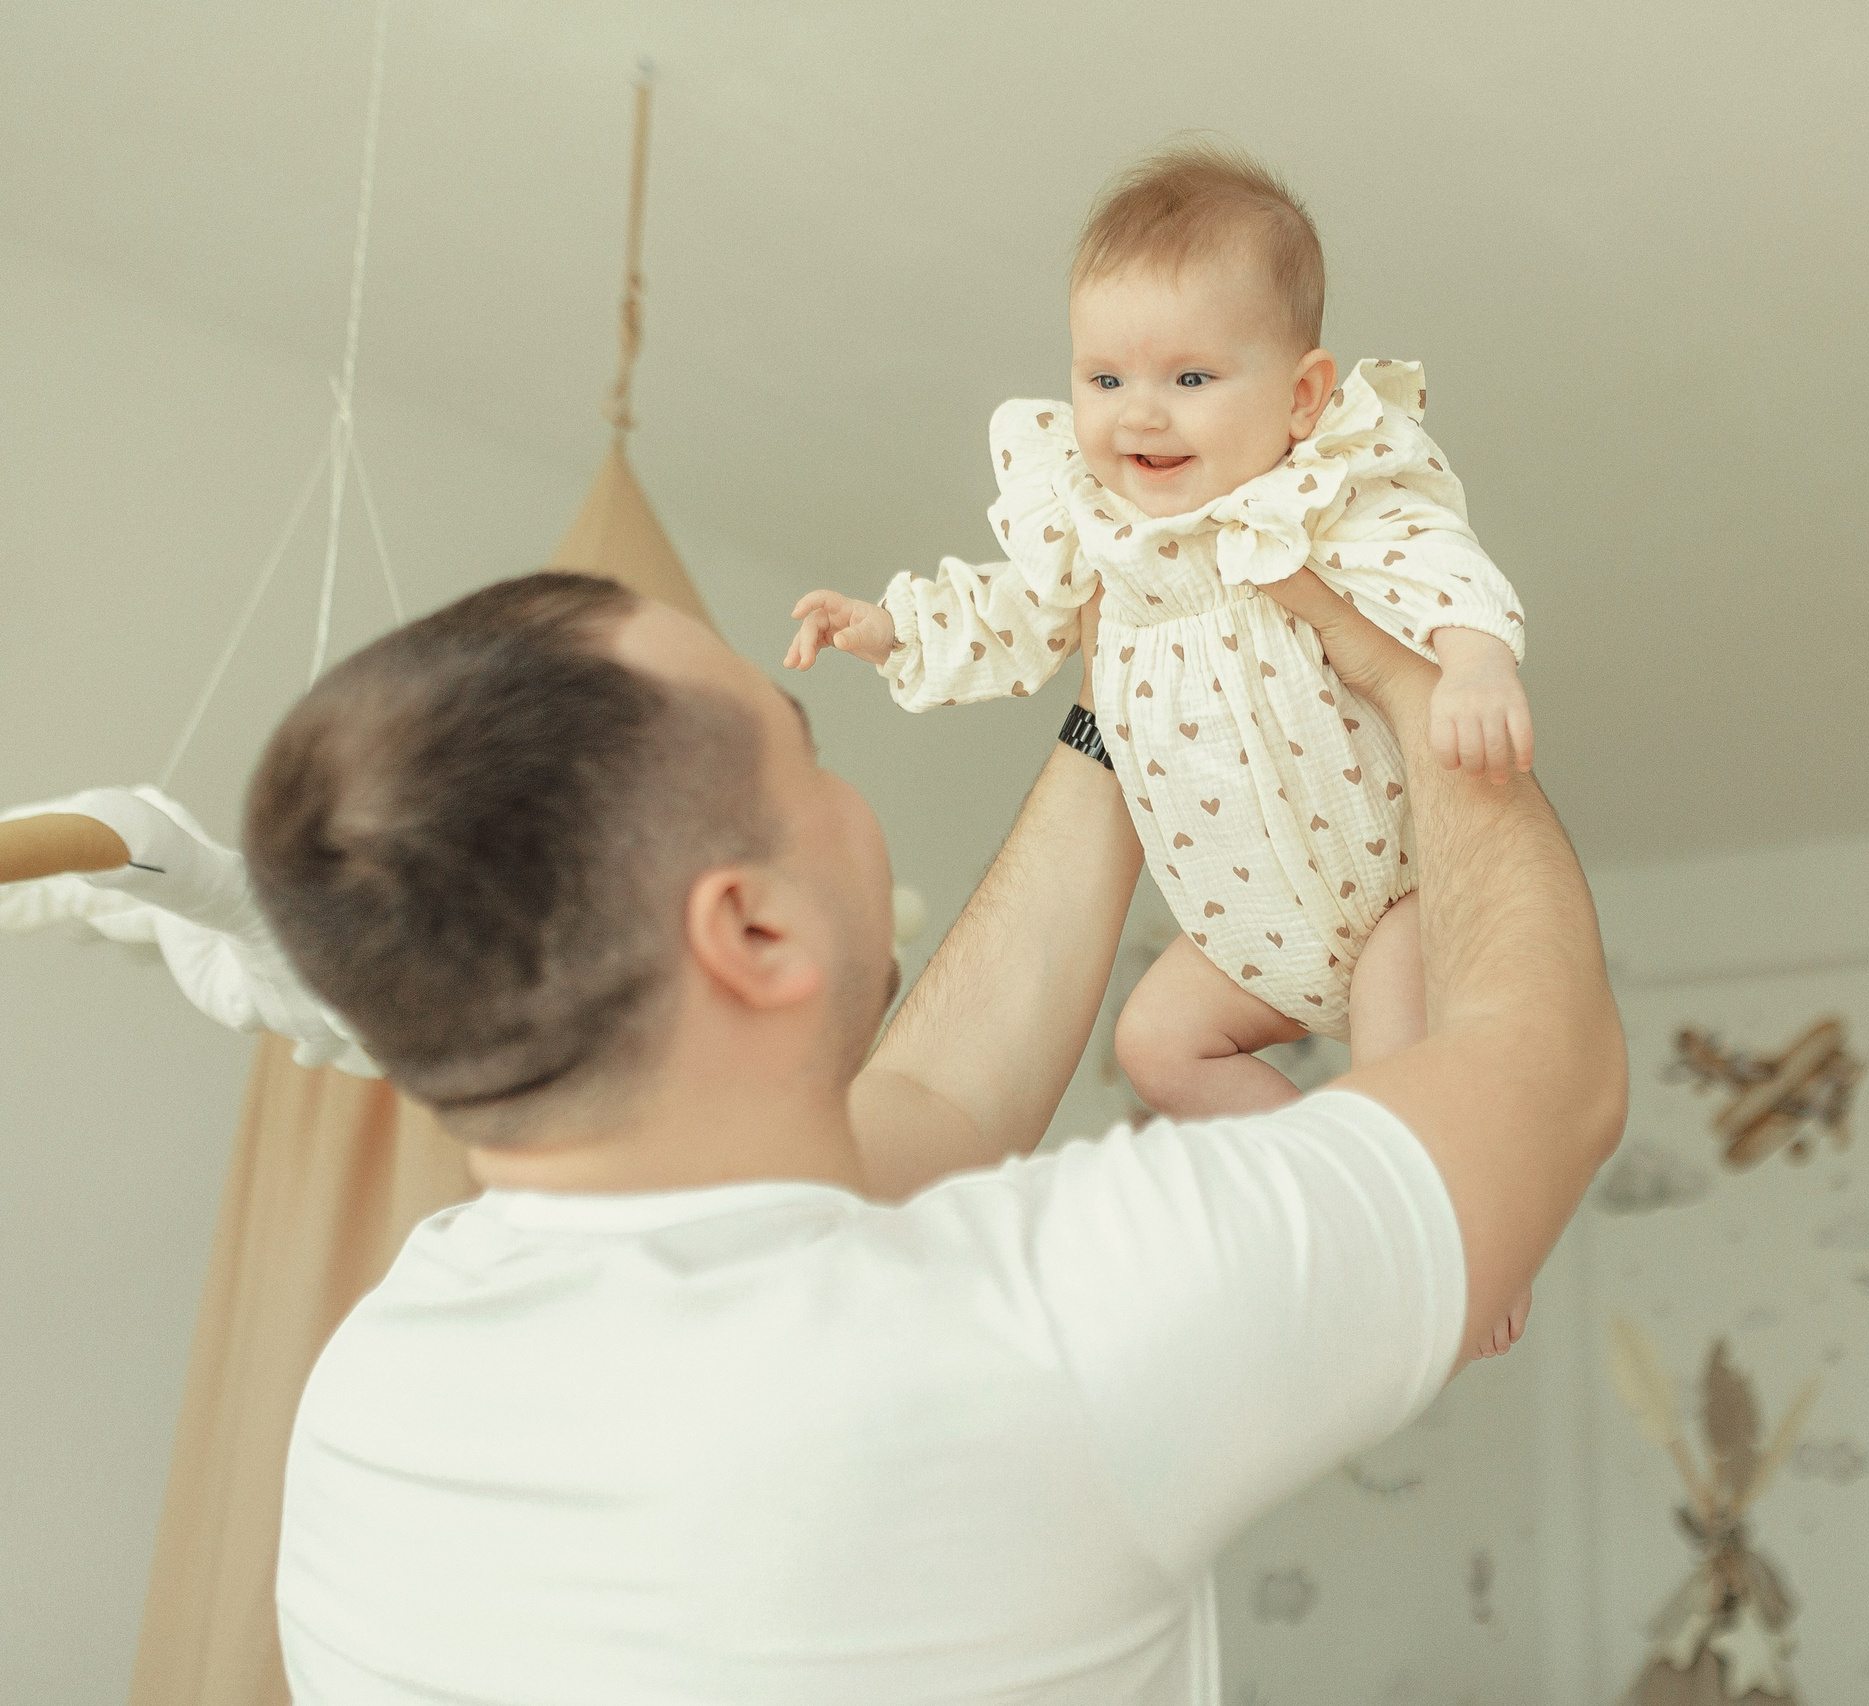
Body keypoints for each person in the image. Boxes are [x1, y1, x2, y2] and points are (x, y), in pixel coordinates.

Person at [241, 563, 1623, 1704]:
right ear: (755, 927)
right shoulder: (1033, 1334)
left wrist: (1127, 709)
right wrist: (1427, 689)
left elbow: (937, 1111)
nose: (852, 801)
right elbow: (1542, 1079)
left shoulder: (374, 1386)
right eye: (809, 754)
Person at [789, 140, 1539, 1355]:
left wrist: (1474, 659)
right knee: (1154, 1039)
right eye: (1103, 376)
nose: (1138, 412)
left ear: (1300, 399)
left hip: (1383, 888)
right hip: (1242, 926)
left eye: (1191, 375)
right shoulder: (1096, 537)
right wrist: (891, 629)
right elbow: (1011, 612)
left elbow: (1435, 561)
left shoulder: (1322, 503)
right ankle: (1313, 1163)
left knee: (1406, 1079)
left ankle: (1459, 1236)